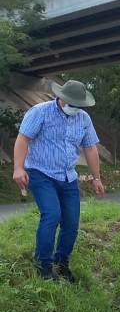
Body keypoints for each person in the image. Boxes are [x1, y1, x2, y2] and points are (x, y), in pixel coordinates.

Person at [12, 80, 106, 282]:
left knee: (71, 222)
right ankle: (43, 266)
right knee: (52, 214)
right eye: (71, 102)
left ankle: (61, 262)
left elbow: (90, 148)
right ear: (61, 97)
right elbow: (23, 139)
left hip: (68, 176)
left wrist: (96, 178)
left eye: (78, 104)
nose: (74, 107)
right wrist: (18, 168)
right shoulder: (40, 112)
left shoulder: (83, 119)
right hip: (40, 172)